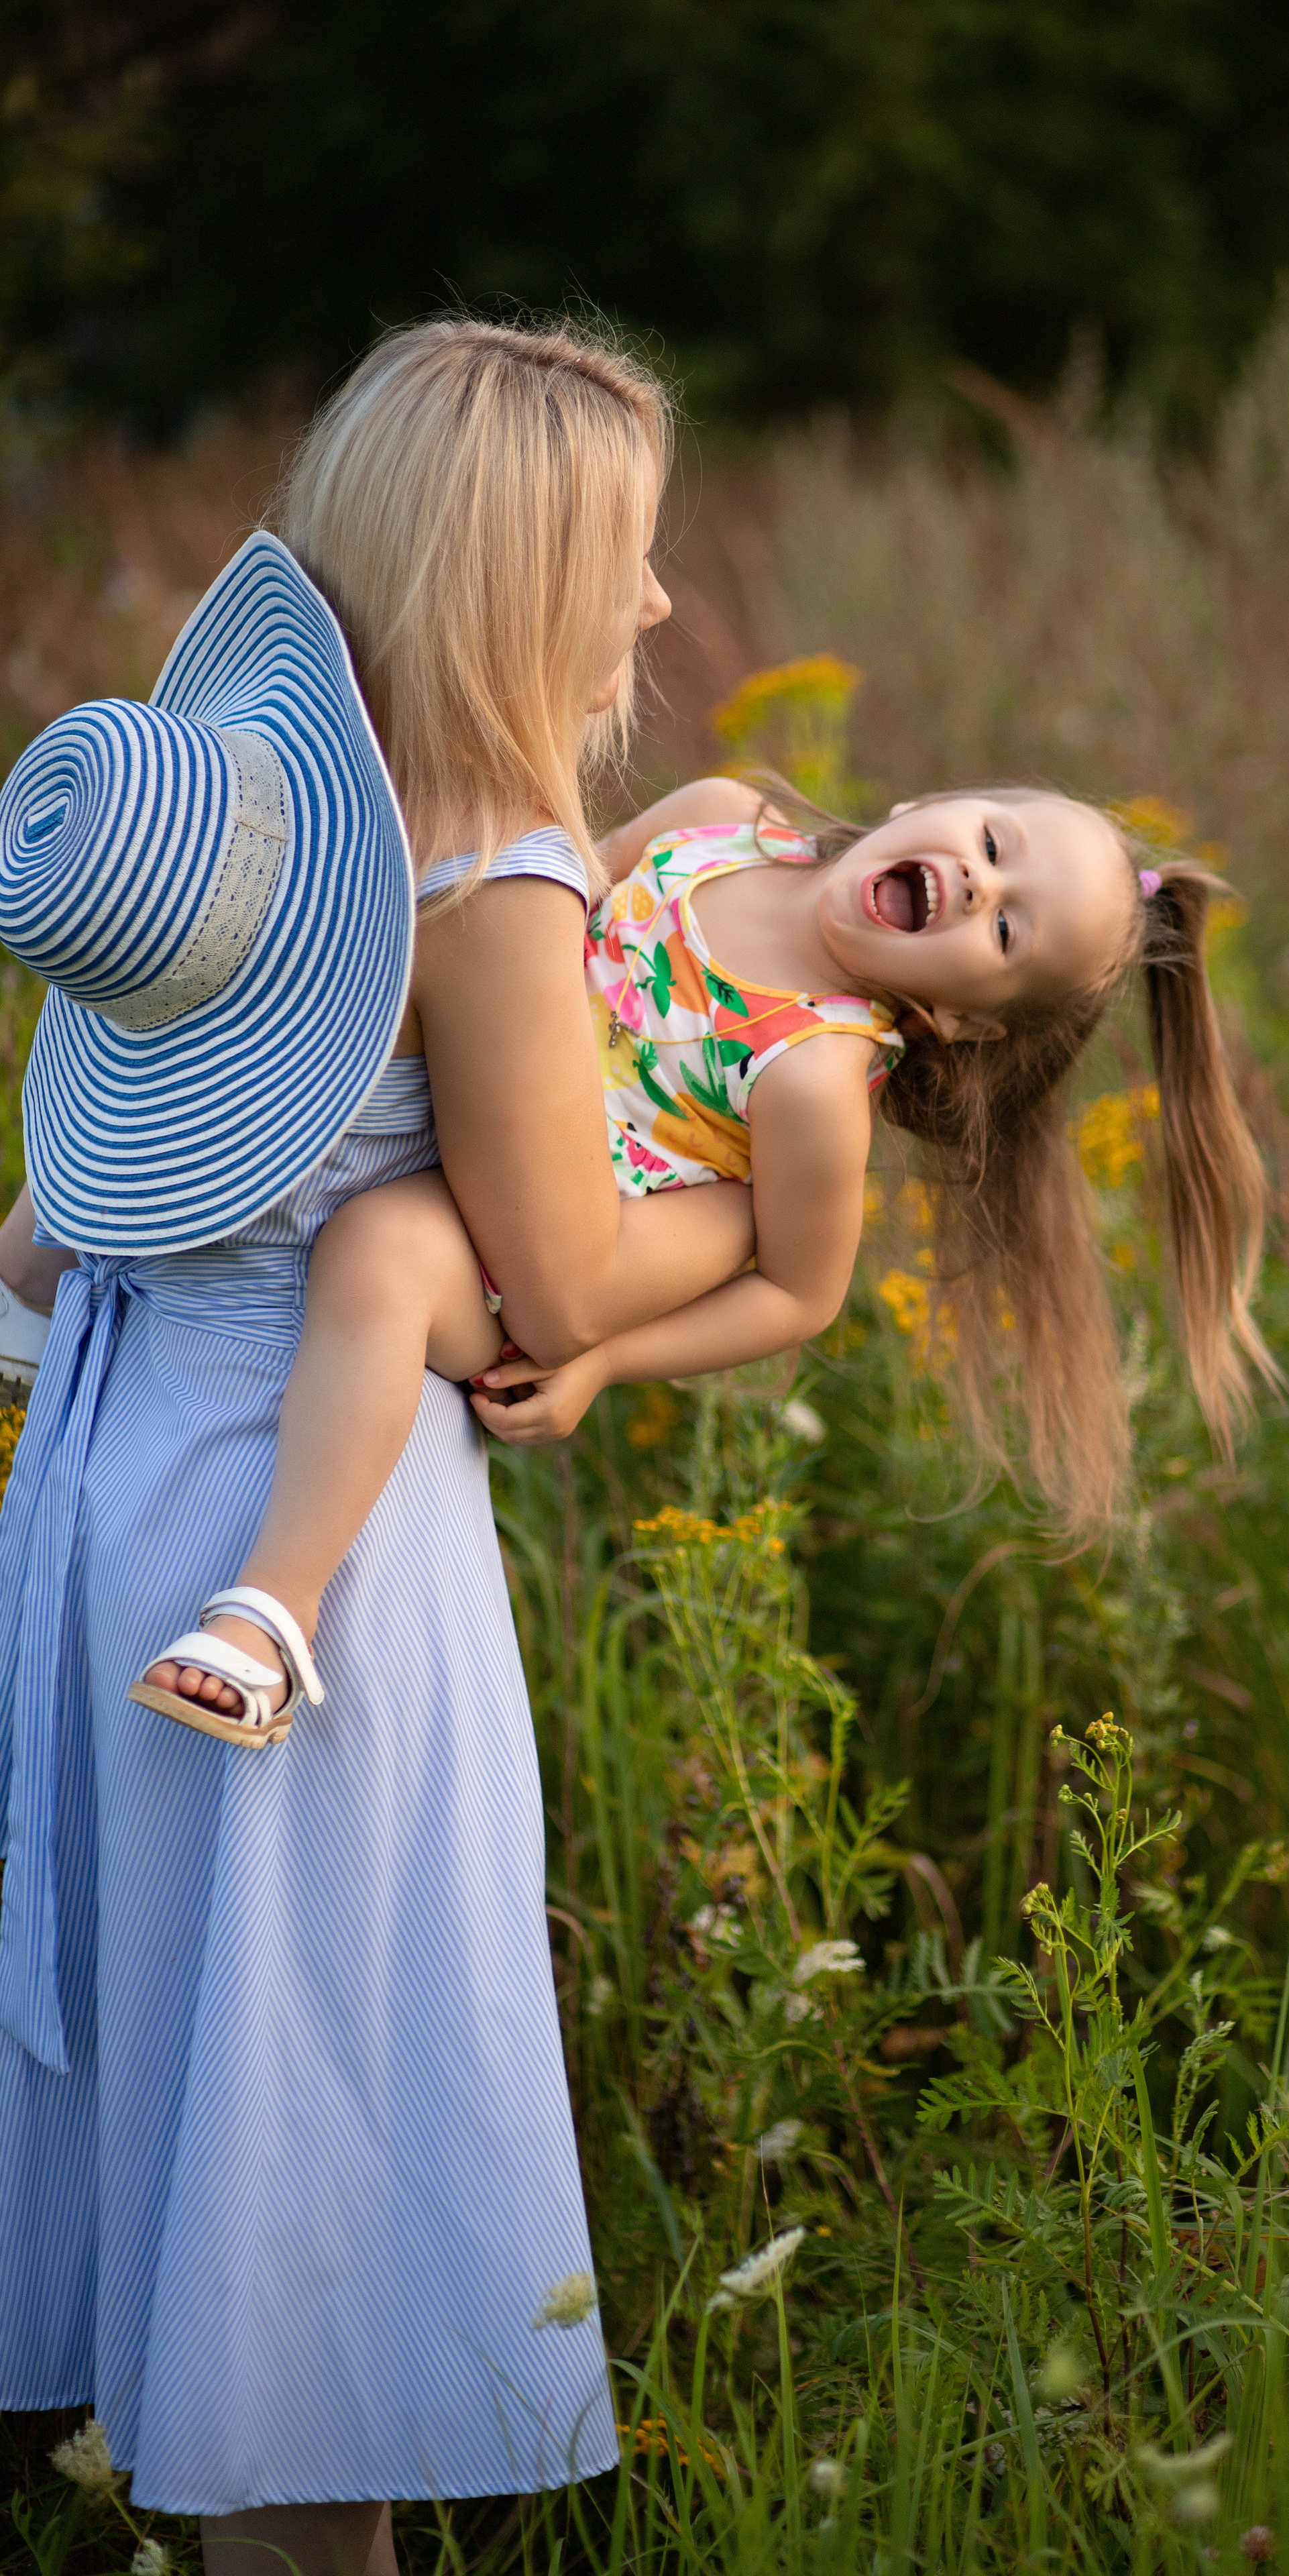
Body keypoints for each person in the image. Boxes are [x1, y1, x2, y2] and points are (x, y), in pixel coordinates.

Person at [0, 317, 755, 2575]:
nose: (657, 607)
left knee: (161, 2090)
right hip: (313, 1558)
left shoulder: (235, 822)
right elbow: (562, 1287)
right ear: (528, 572)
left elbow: (59, 1235)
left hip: (112, 1493)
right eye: (628, 556)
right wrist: (796, 1185)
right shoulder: (495, 889)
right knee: (310, 2163)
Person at [132, 767, 1274, 1742]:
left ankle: (270, 1618)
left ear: (964, 1024)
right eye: (990, 841)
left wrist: (601, 1364)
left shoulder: (816, 1077)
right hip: (449, 1084)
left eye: (1008, 930)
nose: (981, 883)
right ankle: (45, 1269)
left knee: (376, 1255)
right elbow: (556, 892)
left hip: (503, 1239)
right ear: (931, 801)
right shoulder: (718, 822)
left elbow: (797, 1291)